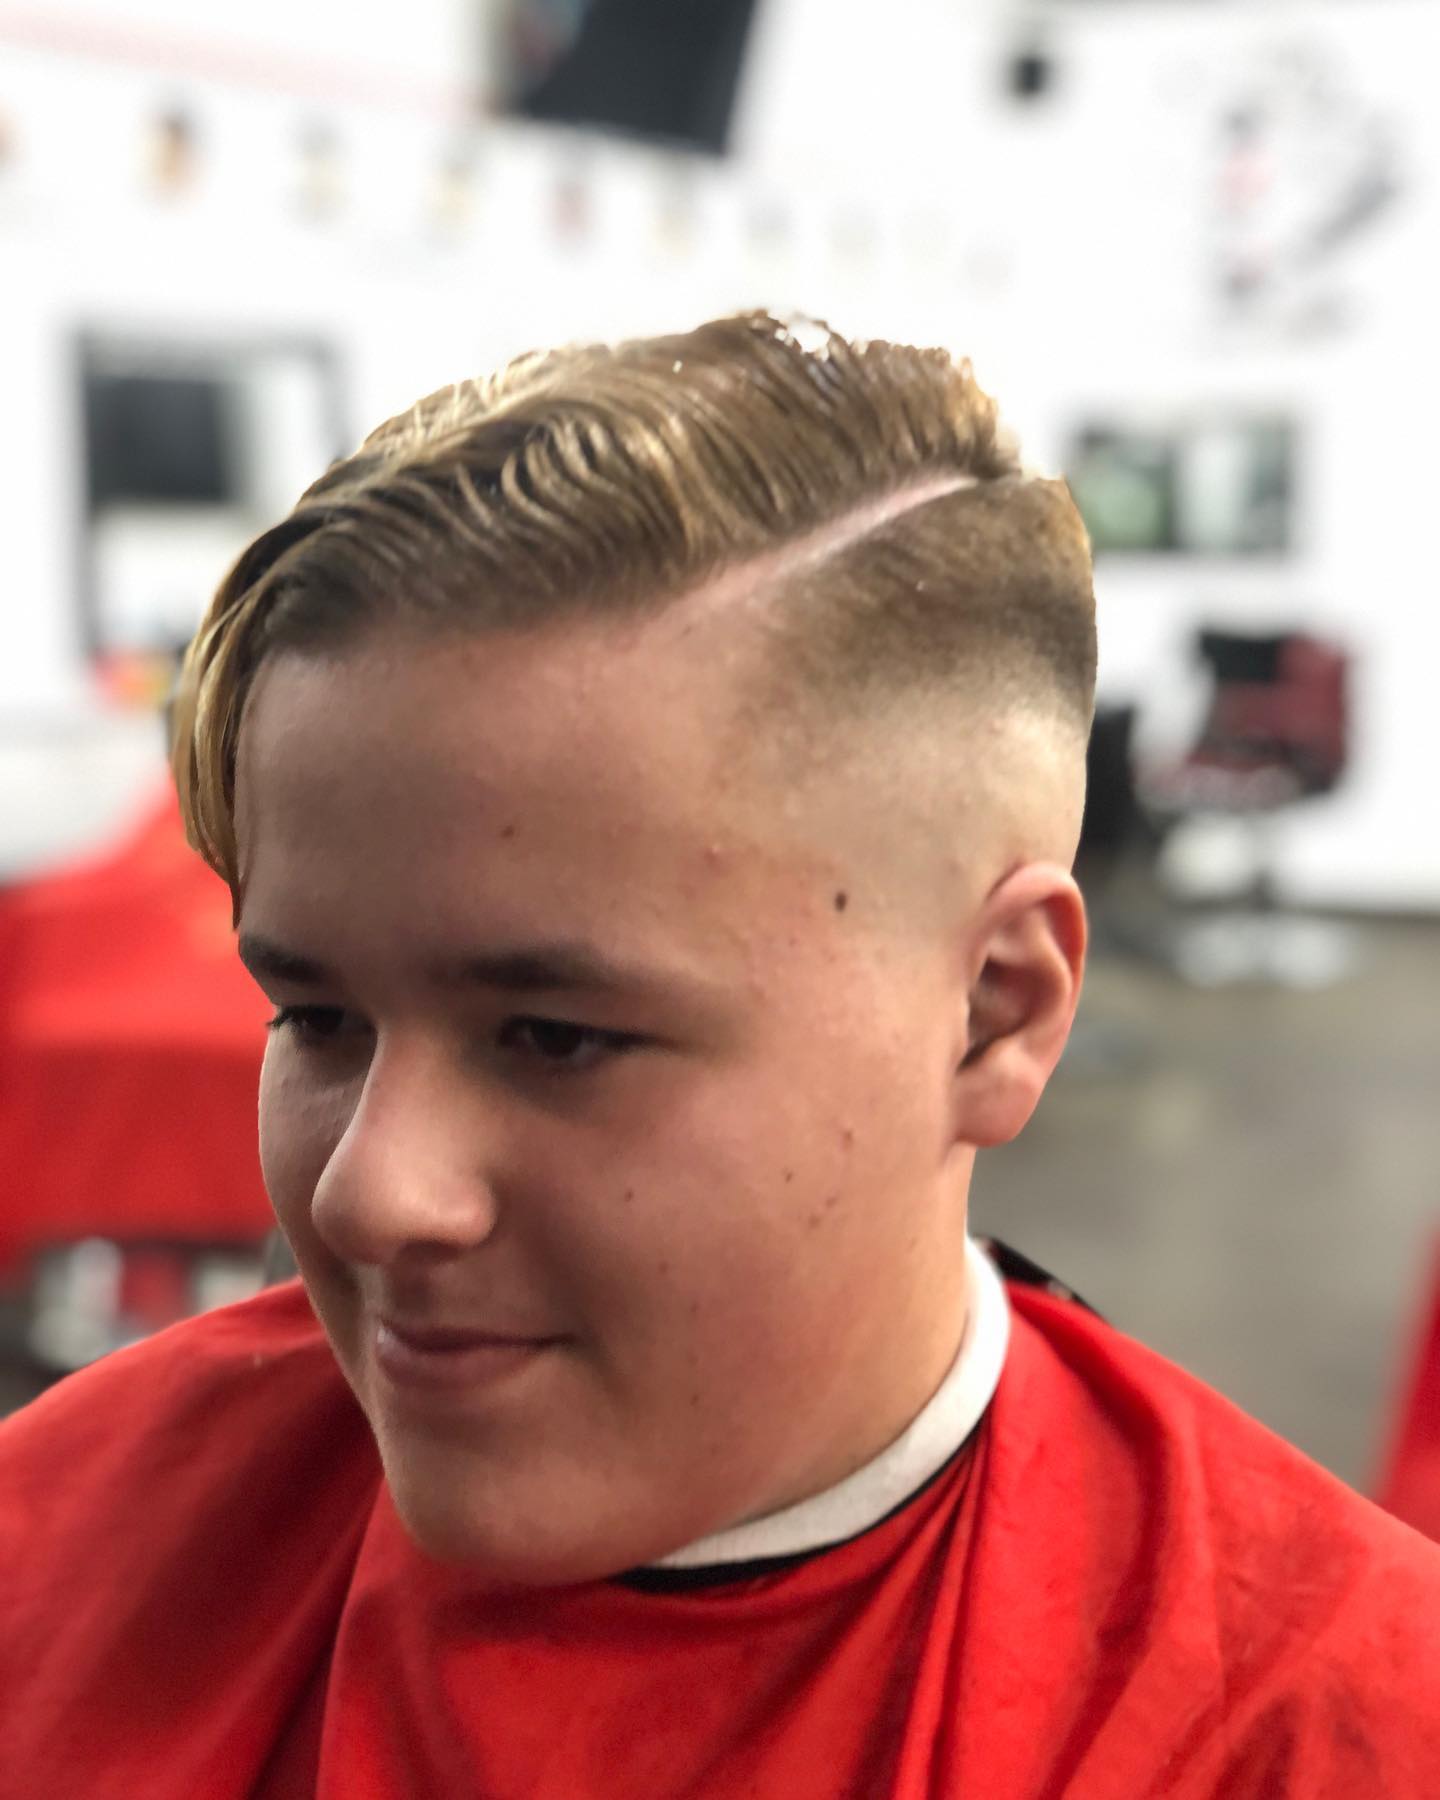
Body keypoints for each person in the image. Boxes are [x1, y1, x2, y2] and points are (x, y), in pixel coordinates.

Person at [1, 312, 1436, 1798]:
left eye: (556, 1037)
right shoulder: (56, 1547)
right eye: (316, 1016)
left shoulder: (1331, 1728)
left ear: (994, 1011)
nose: (369, 1195)